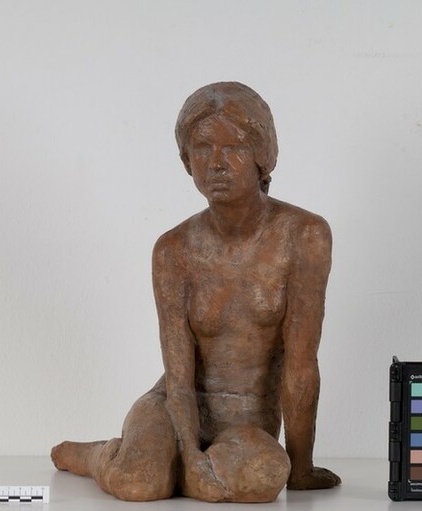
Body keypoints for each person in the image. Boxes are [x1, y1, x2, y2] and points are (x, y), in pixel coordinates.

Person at [51, 82, 340, 502]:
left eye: (234, 147)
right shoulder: (174, 250)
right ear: (187, 160)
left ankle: (166, 470)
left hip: (247, 428)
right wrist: (190, 454)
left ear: (262, 156)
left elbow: (301, 366)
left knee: (269, 473)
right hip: (172, 410)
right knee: (140, 485)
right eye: (202, 148)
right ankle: (99, 456)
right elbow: (179, 379)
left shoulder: (304, 236)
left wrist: (301, 468)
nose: (216, 163)